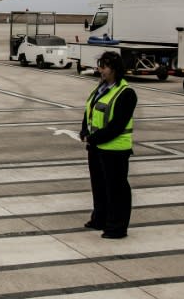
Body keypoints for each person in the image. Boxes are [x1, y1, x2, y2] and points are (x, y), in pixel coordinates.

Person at [79, 51, 138, 239]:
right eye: (100, 66)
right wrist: (84, 131)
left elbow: (117, 125)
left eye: (103, 67)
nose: (100, 70)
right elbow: (90, 110)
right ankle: (100, 218)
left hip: (115, 149)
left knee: (116, 189)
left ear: (114, 69)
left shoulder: (126, 93)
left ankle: (117, 227)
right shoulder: (101, 88)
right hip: (97, 148)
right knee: (99, 186)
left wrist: (93, 138)